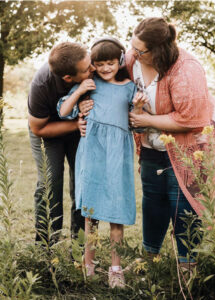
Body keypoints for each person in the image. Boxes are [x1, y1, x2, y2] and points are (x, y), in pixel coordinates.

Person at [126, 17, 215, 268]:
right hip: (151, 146)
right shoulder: (133, 60)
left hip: (187, 147)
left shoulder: (186, 68)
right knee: (152, 201)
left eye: (140, 51)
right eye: (133, 47)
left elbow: (191, 118)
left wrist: (146, 119)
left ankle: (187, 266)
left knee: (183, 206)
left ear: (158, 50)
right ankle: (150, 261)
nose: (134, 54)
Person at [57, 37, 148, 288]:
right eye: (100, 64)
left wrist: (139, 108)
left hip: (118, 153)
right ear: (93, 65)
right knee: (91, 215)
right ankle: (89, 266)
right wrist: (79, 93)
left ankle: (116, 269)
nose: (106, 68)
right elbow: (64, 111)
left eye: (110, 63)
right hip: (93, 152)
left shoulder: (129, 87)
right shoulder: (90, 84)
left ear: (119, 61)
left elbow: (134, 121)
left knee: (115, 212)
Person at [28, 42, 95, 244]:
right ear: (68, 77)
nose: (93, 69)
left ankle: (81, 248)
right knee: (50, 182)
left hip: (81, 131)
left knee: (84, 183)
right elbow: (38, 128)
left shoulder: (91, 66)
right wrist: (75, 124)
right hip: (50, 131)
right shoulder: (41, 85)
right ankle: (46, 248)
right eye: (86, 69)